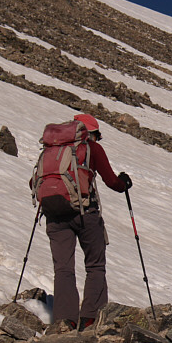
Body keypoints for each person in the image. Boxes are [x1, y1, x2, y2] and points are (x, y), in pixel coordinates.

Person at [44, 113, 131, 331]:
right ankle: (91, 318)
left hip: (55, 214)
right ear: (89, 132)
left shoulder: (51, 150)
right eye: (97, 135)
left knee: (63, 268)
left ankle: (65, 321)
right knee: (95, 265)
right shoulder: (92, 148)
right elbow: (111, 181)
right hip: (85, 213)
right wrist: (124, 183)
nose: (97, 139)